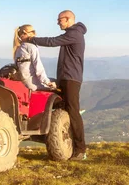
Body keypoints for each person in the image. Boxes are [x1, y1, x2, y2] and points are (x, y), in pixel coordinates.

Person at [28, 10, 88, 161]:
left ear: (67, 19)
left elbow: (52, 41)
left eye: (59, 20)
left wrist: (32, 39)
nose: (57, 22)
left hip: (71, 79)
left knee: (73, 111)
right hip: (66, 78)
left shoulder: (74, 33)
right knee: (64, 110)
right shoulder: (73, 33)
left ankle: (80, 150)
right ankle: (65, 146)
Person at [12, 24, 56, 91]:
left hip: (24, 82)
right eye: (33, 32)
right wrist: (47, 82)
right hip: (32, 84)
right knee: (56, 82)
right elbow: (38, 68)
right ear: (25, 33)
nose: (34, 35)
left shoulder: (18, 49)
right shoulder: (31, 47)